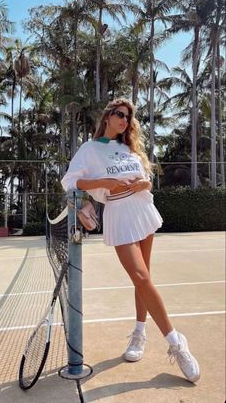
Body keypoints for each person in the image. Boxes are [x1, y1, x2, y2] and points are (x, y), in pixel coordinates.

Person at [61, 98, 200, 383]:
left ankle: (139, 333)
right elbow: (70, 181)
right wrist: (104, 183)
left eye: (128, 117)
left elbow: (147, 180)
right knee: (139, 275)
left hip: (142, 207)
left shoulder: (129, 150)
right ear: (108, 116)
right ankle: (176, 343)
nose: (125, 120)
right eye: (120, 114)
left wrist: (142, 184)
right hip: (119, 211)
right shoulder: (89, 149)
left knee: (144, 278)